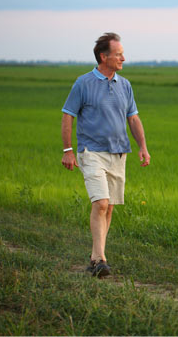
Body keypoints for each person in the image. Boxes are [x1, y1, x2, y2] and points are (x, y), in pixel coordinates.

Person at [61, 32, 150, 277]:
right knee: (100, 203)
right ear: (104, 56)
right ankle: (101, 258)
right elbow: (68, 114)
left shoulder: (125, 85)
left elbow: (133, 118)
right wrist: (68, 150)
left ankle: (95, 257)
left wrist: (142, 146)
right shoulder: (83, 83)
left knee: (108, 207)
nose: (123, 58)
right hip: (91, 152)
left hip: (119, 153)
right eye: (118, 54)